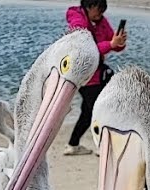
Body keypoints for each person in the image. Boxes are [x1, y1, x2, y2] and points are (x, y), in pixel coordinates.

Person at [64, 0, 126, 155]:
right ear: (88, 7)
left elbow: (113, 43)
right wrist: (111, 44)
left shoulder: (101, 21)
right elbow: (86, 49)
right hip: (83, 75)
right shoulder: (77, 20)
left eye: (103, 10)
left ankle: (72, 145)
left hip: (97, 73)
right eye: (98, 10)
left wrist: (119, 42)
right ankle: (105, 148)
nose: (101, 14)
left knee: (88, 111)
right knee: (99, 110)